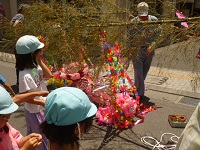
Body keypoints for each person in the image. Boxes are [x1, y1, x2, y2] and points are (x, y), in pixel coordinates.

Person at [15, 35, 53, 150]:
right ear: (32, 54)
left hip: (41, 106)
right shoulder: (24, 75)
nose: (40, 53)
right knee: (42, 138)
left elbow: (49, 75)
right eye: (38, 52)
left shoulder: (35, 66)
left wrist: (40, 61)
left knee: (40, 134)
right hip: (35, 111)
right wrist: (42, 103)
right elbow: (25, 97)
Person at [127, 2, 160, 99]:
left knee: (144, 72)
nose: (143, 18)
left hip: (149, 51)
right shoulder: (133, 22)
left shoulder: (154, 20)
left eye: (145, 16)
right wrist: (129, 51)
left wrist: (154, 44)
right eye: (141, 16)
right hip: (137, 50)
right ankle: (139, 95)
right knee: (138, 73)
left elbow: (159, 34)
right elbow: (129, 37)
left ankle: (137, 90)